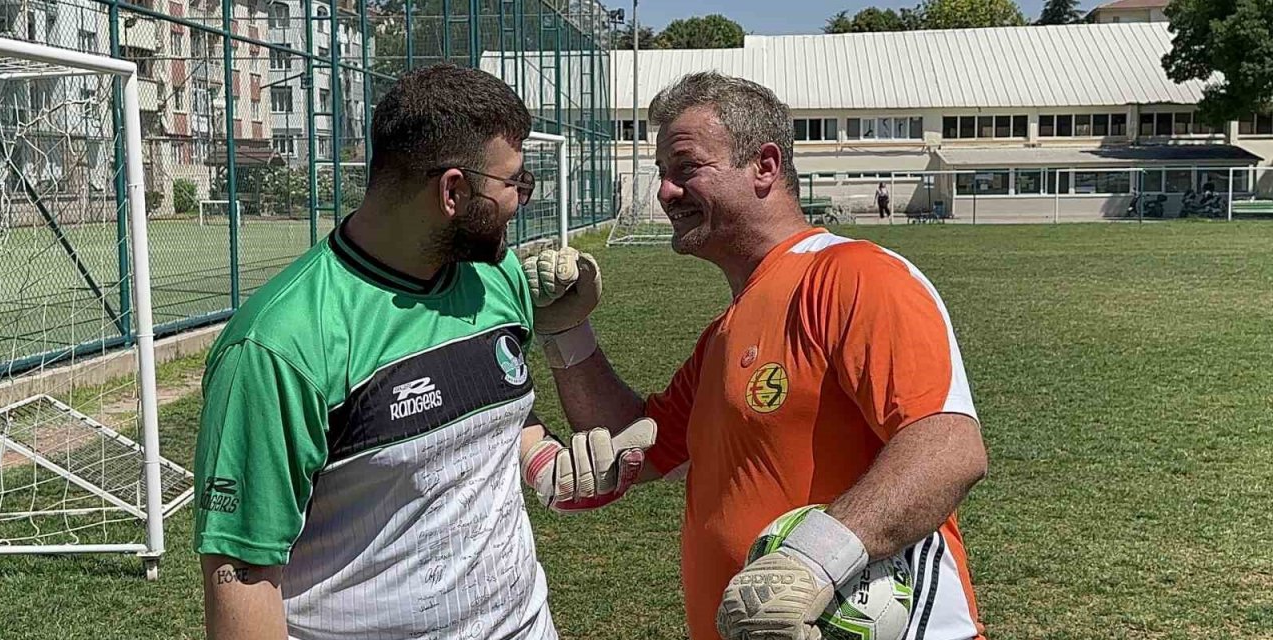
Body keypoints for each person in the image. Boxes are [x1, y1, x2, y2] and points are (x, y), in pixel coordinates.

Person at [193, 63, 654, 640]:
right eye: (515, 183)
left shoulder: (499, 278)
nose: (523, 201)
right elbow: (243, 572)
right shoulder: (278, 347)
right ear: (454, 191)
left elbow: (499, 415)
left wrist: (547, 466)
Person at [522, 71, 989, 640]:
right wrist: (568, 331)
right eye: (663, 175)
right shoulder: (726, 329)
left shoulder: (855, 275)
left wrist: (814, 560)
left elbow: (947, 447)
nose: (665, 192)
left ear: (765, 166)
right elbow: (637, 445)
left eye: (686, 168)